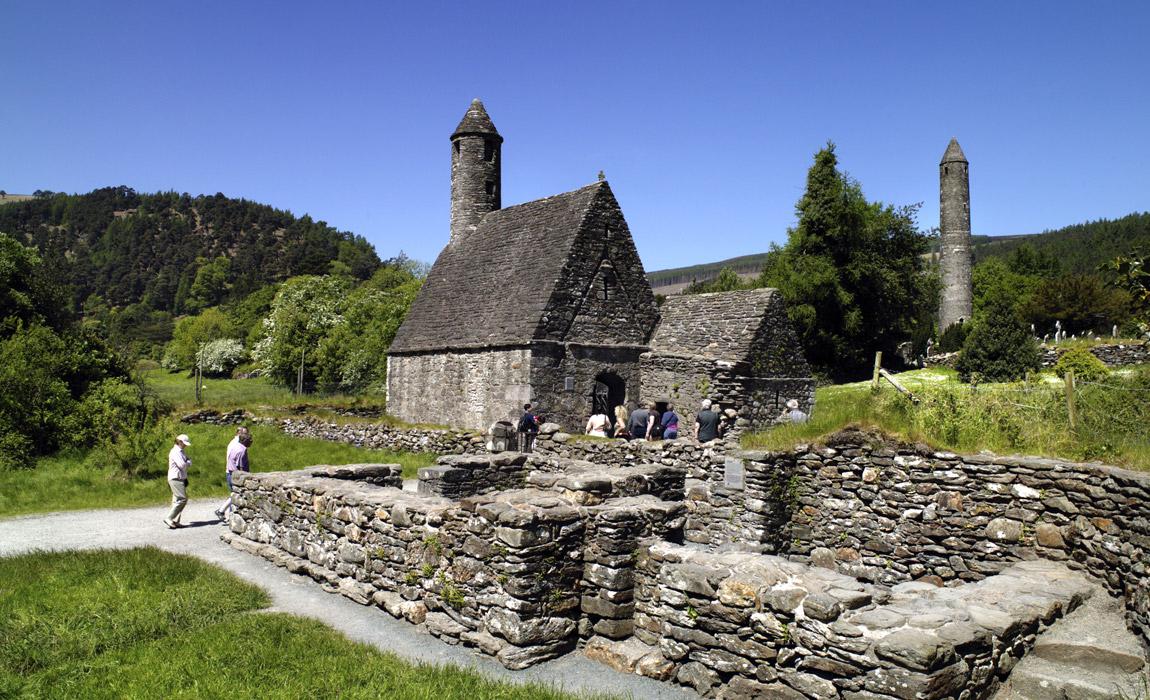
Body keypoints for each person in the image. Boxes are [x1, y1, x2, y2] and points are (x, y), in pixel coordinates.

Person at [215, 426, 252, 520]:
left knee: (233, 494)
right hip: (234, 473)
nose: (246, 435)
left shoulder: (236, 444)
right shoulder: (239, 447)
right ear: (239, 433)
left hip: (230, 471)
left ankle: (222, 511)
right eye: (245, 433)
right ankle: (230, 516)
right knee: (235, 495)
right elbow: (240, 466)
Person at [164, 434, 192, 529]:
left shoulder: (181, 452)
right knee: (182, 499)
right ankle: (169, 518)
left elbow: (186, 461)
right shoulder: (175, 452)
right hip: (176, 478)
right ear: (179, 442)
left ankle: (175, 521)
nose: (185, 445)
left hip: (180, 478)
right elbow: (182, 465)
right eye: (184, 443)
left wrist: (187, 462)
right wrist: (188, 462)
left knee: (176, 500)